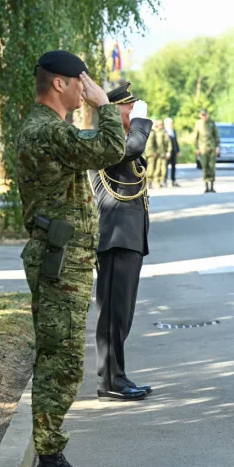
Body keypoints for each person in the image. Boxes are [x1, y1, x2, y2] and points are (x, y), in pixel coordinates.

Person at [17, 50, 126, 467]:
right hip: (60, 262)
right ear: (60, 84)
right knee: (59, 363)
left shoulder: (51, 129)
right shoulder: (45, 131)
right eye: (81, 81)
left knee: (59, 358)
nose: (86, 88)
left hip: (66, 259)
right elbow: (110, 149)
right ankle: (49, 465)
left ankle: (50, 458)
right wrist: (105, 107)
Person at [89, 82, 154, 402]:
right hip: (115, 237)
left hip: (127, 238)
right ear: (112, 111)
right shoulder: (104, 140)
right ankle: (110, 380)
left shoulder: (116, 140)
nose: (134, 111)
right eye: (129, 107)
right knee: (113, 314)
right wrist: (141, 124)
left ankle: (118, 375)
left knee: (122, 314)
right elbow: (134, 147)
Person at [194, 109, 219, 193]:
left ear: (208, 115)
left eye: (205, 114)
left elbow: (216, 136)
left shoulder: (212, 123)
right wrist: (197, 148)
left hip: (212, 148)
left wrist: (217, 147)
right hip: (202, 149)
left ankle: (212, 186)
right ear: (200, 115)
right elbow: (196, 137)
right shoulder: (198, 124)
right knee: (205, 167)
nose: (204, 116)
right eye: (202, 115)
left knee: (212, 167)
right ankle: (206, 187)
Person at [164, 117, 180, 187]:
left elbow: (176, 141)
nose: (171, 124)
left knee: (174, 166)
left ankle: (173, 180)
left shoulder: (173, 131)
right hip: (167, 152)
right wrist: (166, 152)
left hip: (173, 151)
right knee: (165, 167)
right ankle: (165, 181)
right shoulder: (164, 132)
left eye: (171, 123)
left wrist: (178, 150)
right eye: (169, 123)